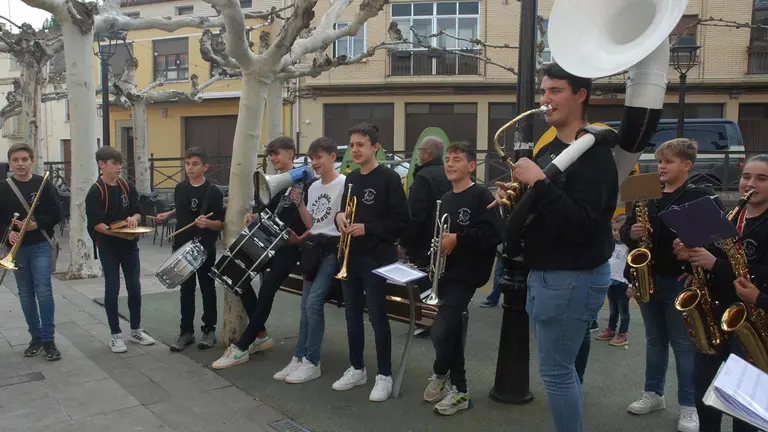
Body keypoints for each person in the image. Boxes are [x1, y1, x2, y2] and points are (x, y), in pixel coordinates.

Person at [492, 62, 617, 432]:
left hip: (569, 277)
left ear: (581, 96)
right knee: (565, 369)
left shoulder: (593, 154)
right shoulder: (555, 147)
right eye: (543, 92)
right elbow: (545, 206)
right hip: (548, 274)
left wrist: (539, 185)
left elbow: (586, 225)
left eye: (555, 91)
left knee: (556, 373)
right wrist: (514, 199)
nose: (545, 100)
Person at [621, 138, 718, 432]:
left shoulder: (699, 195)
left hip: (679, 281)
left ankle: (689, 406)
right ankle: (654, 394)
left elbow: (713, 238)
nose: (661, 166)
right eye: (660, 160)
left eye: (669, 161)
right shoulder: (647, 194)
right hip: (647, 278)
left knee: (683, 345)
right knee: (654, 341)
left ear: (686, 166)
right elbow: (625, 230)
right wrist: (631, 232)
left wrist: (694, 263)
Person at [673, 154, 768, 432]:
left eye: (762, 178)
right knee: (704, 390)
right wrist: (690, 259)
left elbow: (758, 271)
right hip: (715, 316)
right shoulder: (733, 214)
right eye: (746, 177)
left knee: (745, 406)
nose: (750, 184)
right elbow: (715, 254)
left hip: (753, 321)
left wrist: (715, 264)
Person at [212, 136, 308, 369]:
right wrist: (254, 216)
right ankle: (261, 334)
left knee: (267, 289)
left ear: (291, 154)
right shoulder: (269, 180)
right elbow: (265, 208)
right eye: (271, 155)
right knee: (235, 275)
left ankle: (243, 346)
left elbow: (297, 216)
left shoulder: (302, 182)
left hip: (291, 246)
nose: (274, 159)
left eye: (278, 154)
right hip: (267, 241)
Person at [422, 141, 502, 416]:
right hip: (445, 273)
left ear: (471, 165)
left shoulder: (480, 195)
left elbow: (494, 235)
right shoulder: (446, 198)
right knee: (452, 332)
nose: (450, 164)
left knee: (441, 331)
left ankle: (442, 373)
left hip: (467, 275)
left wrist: (458, 238)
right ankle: (460, 390)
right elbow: (439, 236)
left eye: (457, 160)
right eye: (448, 159)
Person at [332, 123, 410, 402]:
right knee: (352, 315)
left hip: (376, 258)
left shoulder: (388, 178)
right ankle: (357, 368)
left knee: (377, 317)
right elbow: (343, 212)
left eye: (360, 145)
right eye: (352, 145)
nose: (355, 150)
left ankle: (384, 375)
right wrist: (339, 217)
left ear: (375, 147)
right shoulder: (351, 178)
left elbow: (401, 222)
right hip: (350, 257)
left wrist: (369, 228)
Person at [273, 137, 346, 384]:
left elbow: (336, 224)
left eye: (319, 158)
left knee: (313, 304)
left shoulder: (344, 184)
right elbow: (313, 223)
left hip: (332, 250)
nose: (315, 163)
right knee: (305, 307)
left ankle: (312, 361)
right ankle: (300, 357)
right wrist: (301, 203)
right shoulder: (313, 187)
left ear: (333, 157)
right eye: (313, 158)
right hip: (313, 249)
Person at [86, 146, 155, 353]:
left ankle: (136, 329)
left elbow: (137, 212)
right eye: (114, 163)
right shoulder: (95, 191)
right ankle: (115, 334)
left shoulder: (127, 186)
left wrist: (132, 221)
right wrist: (117, 232)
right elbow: (97, 224)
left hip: (129, 244)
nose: (119, 167)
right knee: (112, 287)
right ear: (102, 165)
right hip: (108, 245)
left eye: (119, 163)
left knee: (134, 286)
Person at [156, 147, 225, 351]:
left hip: (204, 246)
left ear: (205, 166)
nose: (190, 167)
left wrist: (209, 224)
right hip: (182, 244)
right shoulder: (180, 188)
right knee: (186, 290)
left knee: (207, 288)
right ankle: (186, 333)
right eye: (187, 163)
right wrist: (168, 215)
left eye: (194, 164)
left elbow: (221, 222)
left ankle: (209, 330)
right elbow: (182, 208)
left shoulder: (213, 191)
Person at [0, 143, 62, 360]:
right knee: (25, 294)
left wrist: (37, 224)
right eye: (15, 160)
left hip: (40, 245)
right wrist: (7, 233)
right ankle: (35, 337)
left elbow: (57, 213)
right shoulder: (3, 187)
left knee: (44, 291)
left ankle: (48, 340)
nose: (20, 164)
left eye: (24, 159)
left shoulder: (42, 183)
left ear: (32, 161)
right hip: (16, 249)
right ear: (10, 163)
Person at [399, 136, 451, 298]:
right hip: (443, 238)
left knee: (423, 286)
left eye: (420, 151)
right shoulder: (447, 173)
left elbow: (415, 215)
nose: (418, 154)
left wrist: (404, 244)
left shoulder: (423, 177)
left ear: (427, 153)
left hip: (423, 244)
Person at [595, 214, 631, 346]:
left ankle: (623, 334)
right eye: (614, 230)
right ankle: (611, 329)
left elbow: (632, 268)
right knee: (613, 309)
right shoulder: (612, 245)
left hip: (623, 284)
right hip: (611, 282)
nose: (616, 233)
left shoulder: (628, 247)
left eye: (619, 230)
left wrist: (631, 285)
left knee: (623, 311)